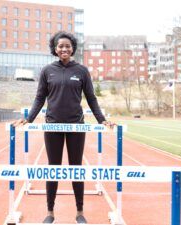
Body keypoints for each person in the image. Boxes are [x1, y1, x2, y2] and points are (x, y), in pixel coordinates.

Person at [15, 31, 114, 224]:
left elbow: (91, 98)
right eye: (60, 46)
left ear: (73, 48)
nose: (64, 49)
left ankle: (79, 212)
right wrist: (29, 119)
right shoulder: (47, 71)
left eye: (68, 46)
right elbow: (39, 98)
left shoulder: (82, 71)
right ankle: (50, 212)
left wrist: (102, 120)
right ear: (55, 48)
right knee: (54, 168)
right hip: (52, 126)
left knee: (76, 168)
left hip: (76, 126)